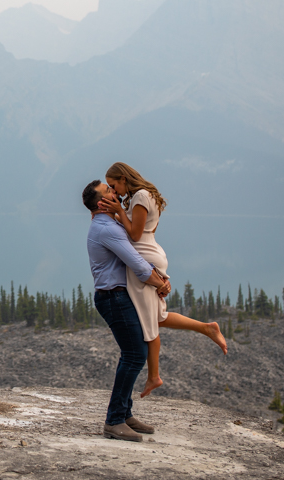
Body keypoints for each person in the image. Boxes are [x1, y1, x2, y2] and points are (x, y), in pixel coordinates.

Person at [99, 162, 227, 399]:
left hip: (143, 259)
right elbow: (148, 230)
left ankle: (154, 376)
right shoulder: (148, 195)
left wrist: (117, 211)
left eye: (114, 185)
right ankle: (207, 328)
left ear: (124, 179)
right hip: (151, 253)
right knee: (158, 316)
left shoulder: (139, 197)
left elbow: (135, 235)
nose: (113, 191)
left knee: (149, 322)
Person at [83, 179, 170, 442]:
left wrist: (158, 278)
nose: (114, 191)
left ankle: (125, 413)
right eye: (108, 190)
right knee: (135, 354)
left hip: (119, 296)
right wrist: (161, 283)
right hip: (113, 298)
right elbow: (138, 265)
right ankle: (114, 421)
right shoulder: (107, 228)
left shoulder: (110, 224)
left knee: (133, 352)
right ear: (101, 203)